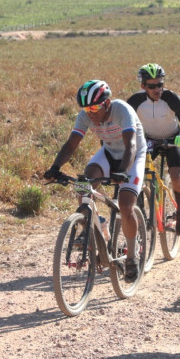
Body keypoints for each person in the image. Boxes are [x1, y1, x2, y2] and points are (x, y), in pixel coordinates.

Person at [44, 80, 147, 283]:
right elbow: (72, 144)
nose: (90, 113)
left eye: (94, 107)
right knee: (85, 181)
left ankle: (133, 257)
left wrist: (123, 172)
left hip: (133, 155)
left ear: (107, 103)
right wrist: (55, 168)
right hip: (108, 152)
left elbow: (131, 145)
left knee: (126, 205)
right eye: (86, 108)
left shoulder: (122, 111)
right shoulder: (85, 116)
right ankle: (96, 224)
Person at [127, 63, 180, 236]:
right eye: (152, 86)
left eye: (160, 84)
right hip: (148, 140)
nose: (157, 89)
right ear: (143, 86)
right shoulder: (135, 101)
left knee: (176, 177)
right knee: (137, 174)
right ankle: (141, 210)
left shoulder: (171, 97)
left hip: (172, 139)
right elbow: (125, 124)